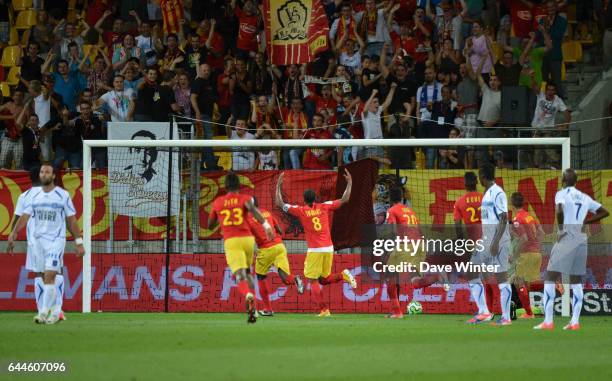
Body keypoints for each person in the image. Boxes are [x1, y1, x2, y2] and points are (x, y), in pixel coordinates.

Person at [7, 164, 85, 324]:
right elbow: (22, 217)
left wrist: (79, 242)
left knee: (51, 274)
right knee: (44, 275)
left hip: (55, 241)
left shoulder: (60, 195)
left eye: (47, 172)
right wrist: (13, 233)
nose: (44, 174)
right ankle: (54, 310)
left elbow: (71, 220)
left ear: (53, 175)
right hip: (36, 242)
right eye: (42, 172)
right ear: (39, 175)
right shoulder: (30, 197)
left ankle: (45, 311)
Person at [534, 169, 609, 330]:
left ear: (562, 180)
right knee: (576, 281)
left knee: (550, 277)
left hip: (567, 238)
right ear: (576, 181)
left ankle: (548, 321)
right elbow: (605, 212)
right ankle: (575, 322)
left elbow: (559, 210)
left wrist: (561, 230)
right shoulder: (584, 197)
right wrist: (587, 221)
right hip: (581, 240)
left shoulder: (561, 194)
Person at [275, 169, 357, 317]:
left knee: (312, 280)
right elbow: (345, 199)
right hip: (329, 248)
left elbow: (279, 203)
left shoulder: (300, 210)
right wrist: (350, 182)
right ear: (315, 199)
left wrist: (278, 185)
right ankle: (343, 275)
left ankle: (324, 310)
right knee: (323, 279)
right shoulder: (324, 206)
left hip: (315, 250)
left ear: (304, 200)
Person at [207, 172, 275, 324]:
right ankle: (255, 309)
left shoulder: (218, 202)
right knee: (249, 272)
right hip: (248, 240)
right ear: (239, 185)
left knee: (239, 275)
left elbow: (209, 225)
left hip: (232, 241)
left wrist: (221, 219)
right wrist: (266, 226)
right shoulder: (246, 199)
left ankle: (248, 297)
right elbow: (254, 211)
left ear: (225, 187)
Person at [383, 187, 449, 318]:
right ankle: (437, 277)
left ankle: (397, 312)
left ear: (390, 199)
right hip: (420, 245)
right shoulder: (410, 211)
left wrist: (387, 249)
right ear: (401, 198)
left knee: (390, 275)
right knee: (415, 281)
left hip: (407, 245)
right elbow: (420, 230)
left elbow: (391, 231)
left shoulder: (391, 210)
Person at [466, 163, 513, 326]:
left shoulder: (498, 192)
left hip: (497, 241)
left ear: (483, 177)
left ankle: (506, 317)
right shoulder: (487, 193)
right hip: (487, 240)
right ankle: (484, 312)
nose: (478, 179)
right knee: (471, 271)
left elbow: (503, 218)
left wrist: (495, 242)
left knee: (501, 277)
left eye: (480, 176)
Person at [247, 197, 304, 316]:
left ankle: (268, 309)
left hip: (265, 249)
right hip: (280, 246)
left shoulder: (248, 218)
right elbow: (279, 230)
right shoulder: (267, 213)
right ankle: (296, 279)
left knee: (261, 278)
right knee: (286, 279)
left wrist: (255, 249)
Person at [509, 192, 545, 320]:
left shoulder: (517, 219)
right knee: (528, 283)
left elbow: (524, 239)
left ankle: (529, 314)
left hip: (527, 254)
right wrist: (536, 246)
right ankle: (552, 284)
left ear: (512, 205)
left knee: (518, 283)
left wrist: (514, 255)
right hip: (536, 253)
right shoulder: (530, 216)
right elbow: (541, 232)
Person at [0, 89, 26, 169]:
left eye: (20, 95)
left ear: (23, 97)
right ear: (13, 97)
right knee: (3, 162)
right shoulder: (8, 105)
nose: (18, 97)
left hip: (19, 138)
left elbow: (30, 122)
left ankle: (18, 181)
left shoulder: (25, 108)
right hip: (7, 137)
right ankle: (5, 180)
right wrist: (11, 117)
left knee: (19, 164)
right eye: (16, 95)